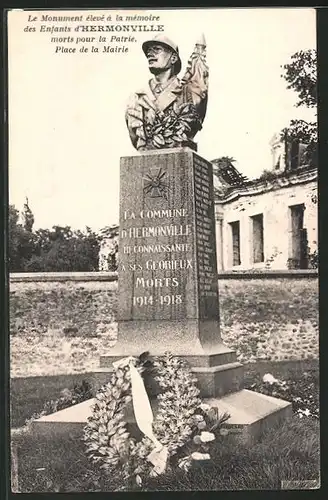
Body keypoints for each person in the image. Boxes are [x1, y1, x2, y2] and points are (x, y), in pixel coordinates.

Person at [125, 34, 209, 151]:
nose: (150, 53)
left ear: (173, 58)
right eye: (149, 51)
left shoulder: (188, 93)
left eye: (157, 49)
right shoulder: (136, 98)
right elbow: (135, 136)